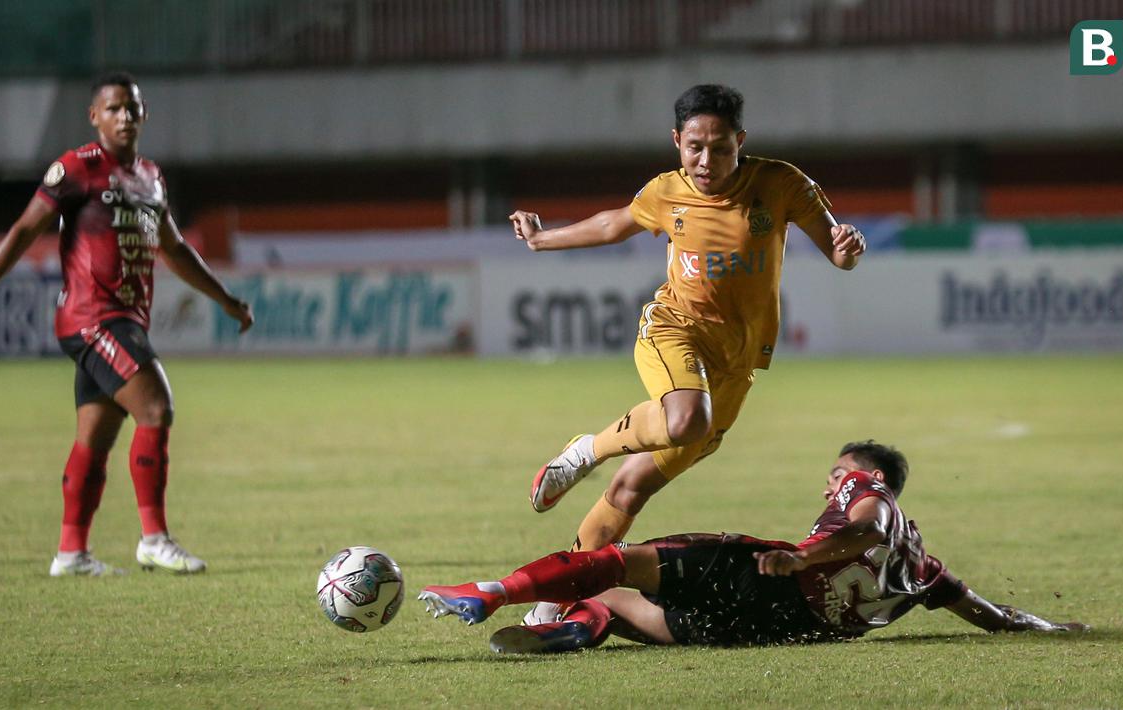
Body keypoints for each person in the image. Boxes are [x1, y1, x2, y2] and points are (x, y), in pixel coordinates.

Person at [508, 84, 866, 622]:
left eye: (720, 148)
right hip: (673, 330)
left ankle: (557, 600)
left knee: (631, 490)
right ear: (677, 140)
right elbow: (614, 224)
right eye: (694, 146)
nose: (706, 160)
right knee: (685, 419)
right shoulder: (666, 192)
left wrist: (845, 250)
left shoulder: (781, 183)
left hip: (736, 363)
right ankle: (587, 450)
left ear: (740, 141)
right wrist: (542, 240)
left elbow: (836, 250)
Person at [0, 71, 254, 577]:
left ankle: (71, 553)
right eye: (113, 108)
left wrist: (226, 300)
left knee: (95, 438)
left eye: (132, 108)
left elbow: (176, 250)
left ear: (143, 115)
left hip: (122, 320)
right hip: (93, 317)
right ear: (94, 116)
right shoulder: (76, 168)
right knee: (156, 408)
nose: (124, 117)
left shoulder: (151, 178)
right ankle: (154, 539)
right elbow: (25, 228)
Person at [419, 441, 1087, 653]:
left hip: (764, 580)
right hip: (770, 631)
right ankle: (578, 627)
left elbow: (866, 529)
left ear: (872, 477)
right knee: (618, 602)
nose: (831, 480)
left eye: (840, 471)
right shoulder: (925, 572)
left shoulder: (875, 501)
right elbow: (985, 612)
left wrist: (800, 557)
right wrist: (1042, 624)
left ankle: (494, 590)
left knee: (624, 560)